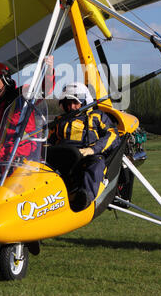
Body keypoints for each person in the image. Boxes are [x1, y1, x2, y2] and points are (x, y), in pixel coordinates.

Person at [0, 58, 54, 188]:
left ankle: (7, 190)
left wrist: (48, 69)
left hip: (24, 145)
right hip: (2, 150)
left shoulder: (22, 94)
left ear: (5, 79)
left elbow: (46, 90)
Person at [48, 82, 120, 211]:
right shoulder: (58, 121)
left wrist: (92, 149)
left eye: (76, 103)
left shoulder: (97, 116)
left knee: (96, 164)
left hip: (88, 156)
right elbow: (48, 141)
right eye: (68, 103)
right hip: (64, 158)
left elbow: (113, 135)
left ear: (85, 101)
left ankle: (85, 198)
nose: (72, 107)